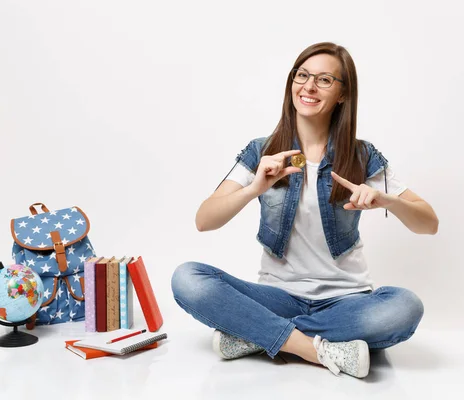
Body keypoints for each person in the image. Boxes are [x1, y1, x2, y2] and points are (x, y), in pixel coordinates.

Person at [171, 42, 438, 379]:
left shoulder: (361, 156)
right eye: (302, 76)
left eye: (325, 80)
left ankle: (257, 335)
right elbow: (204, 219)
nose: (309, 87)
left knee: (405, 307)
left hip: (347, 301)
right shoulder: (262, 151)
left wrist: (388, 201)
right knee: (188, 278)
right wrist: (255, 187)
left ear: (343, 94)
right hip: (277, 296)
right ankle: (314, 349)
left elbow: (429, 223)